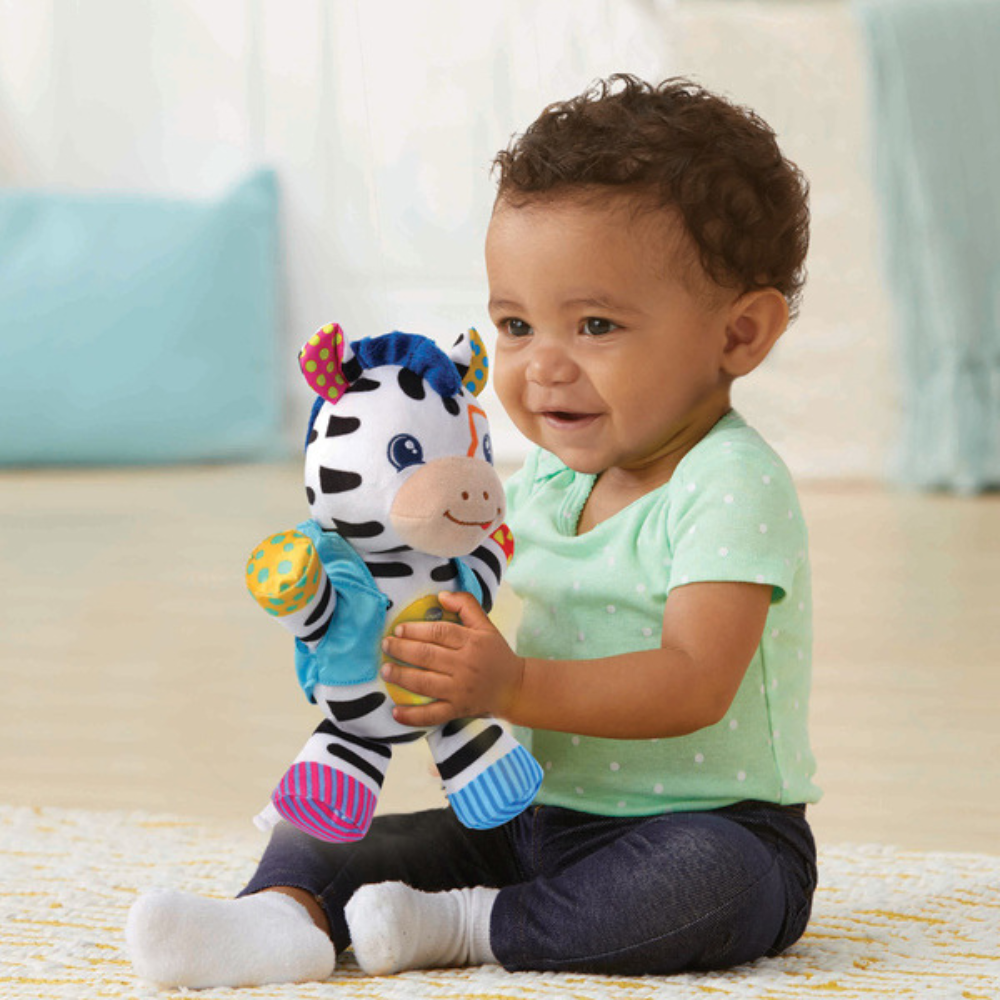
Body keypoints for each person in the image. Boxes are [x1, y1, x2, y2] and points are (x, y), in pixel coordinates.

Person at [126, 74, 820, 988]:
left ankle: (471, 925)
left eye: (596, 324)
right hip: (542, 818)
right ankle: (277, 918)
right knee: (334, 827)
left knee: (708, 885)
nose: (541, 366)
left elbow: (695, 681)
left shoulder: (730, 484)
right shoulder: (550, 478)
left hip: (714, 823)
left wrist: (514, 684)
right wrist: (379, 626)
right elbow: (446, 574)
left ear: (740, 335)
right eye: (517, 325)